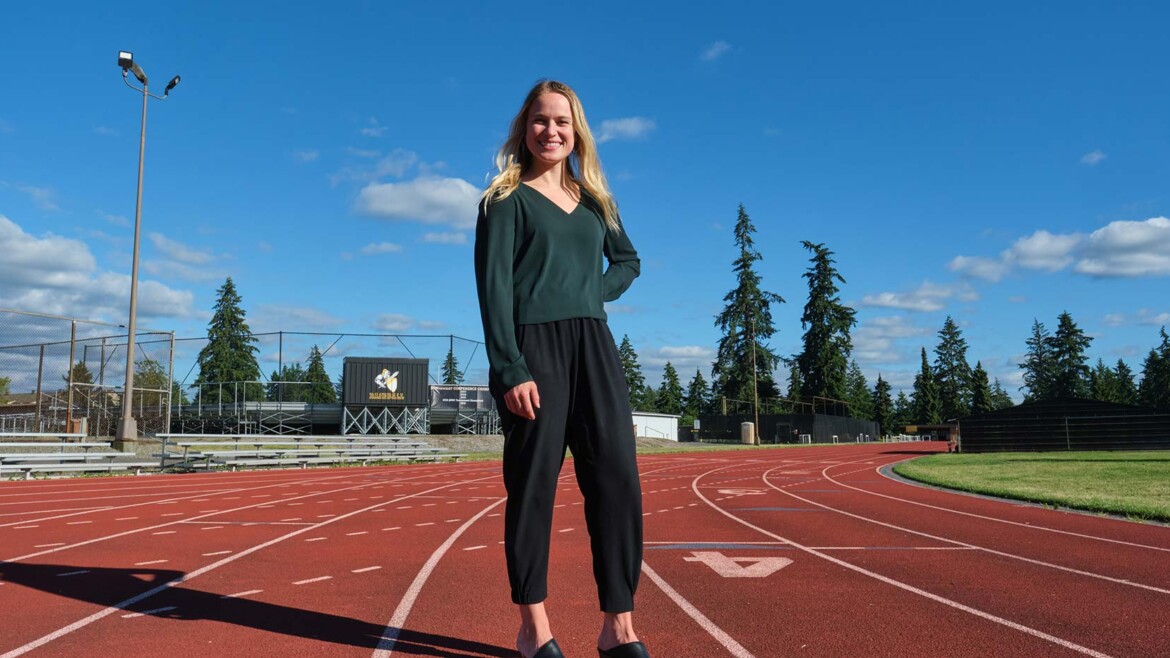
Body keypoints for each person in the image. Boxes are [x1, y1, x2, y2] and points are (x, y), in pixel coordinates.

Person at [475, 79, 650, 658]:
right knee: (532, 489)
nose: (551, 131)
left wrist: (589, 294)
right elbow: (493, 291)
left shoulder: (596, 199)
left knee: (617, 478)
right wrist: (509, 367)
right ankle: (533, 627)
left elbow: (628, 261)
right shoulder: (504, 200)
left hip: (594, 346)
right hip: (533, 353)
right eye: (540, 121)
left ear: (577, 134)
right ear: (523, 130)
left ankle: (618, 628)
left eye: (562, 122)